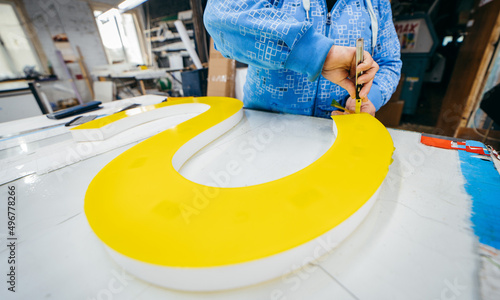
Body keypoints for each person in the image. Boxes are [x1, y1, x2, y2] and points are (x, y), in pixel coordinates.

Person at [203, 0, 402, 118]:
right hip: (265, 128)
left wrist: (371, 97)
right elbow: (221, 15)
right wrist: (321, 54)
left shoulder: (376, 3)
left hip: (338, 133)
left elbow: (389, 61)